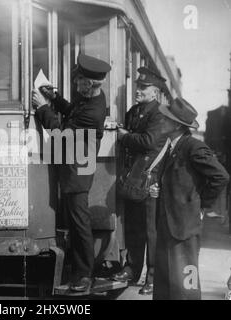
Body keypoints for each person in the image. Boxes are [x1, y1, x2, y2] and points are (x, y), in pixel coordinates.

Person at [32, 54, 111, 293]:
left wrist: (42, 107)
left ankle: (84, 275)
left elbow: (61, 134)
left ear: (90, 84)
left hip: (78, 169)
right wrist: (55, 98)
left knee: (79, 223)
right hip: (74, 165)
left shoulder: (93, 112)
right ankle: (78, 270)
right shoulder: (89, 97)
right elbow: (71, 111)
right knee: (76, 221)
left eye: (79, 82)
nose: (76, 85)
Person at [150, 98, 229, 300]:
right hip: (167, 225)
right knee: (164, 284)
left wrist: (201, 206)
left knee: (186, 287)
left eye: (165, 119)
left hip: (184, 227)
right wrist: (160, 190)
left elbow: (220, 176)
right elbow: (177, 180)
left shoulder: (193, 147)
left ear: (177, 125)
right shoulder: (172, 147)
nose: (161, 121)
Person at [112, 67, 168, 295]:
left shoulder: (160, 114)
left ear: (155, 93)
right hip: (134, 177)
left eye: (144, 88)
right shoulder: (134, 111)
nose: (138, 90)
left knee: (150, 230)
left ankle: (152, 278)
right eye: (138, 86)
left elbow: (148, 141)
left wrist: (125, 137)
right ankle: (132, 269)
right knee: (134, 227)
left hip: (149, 179)